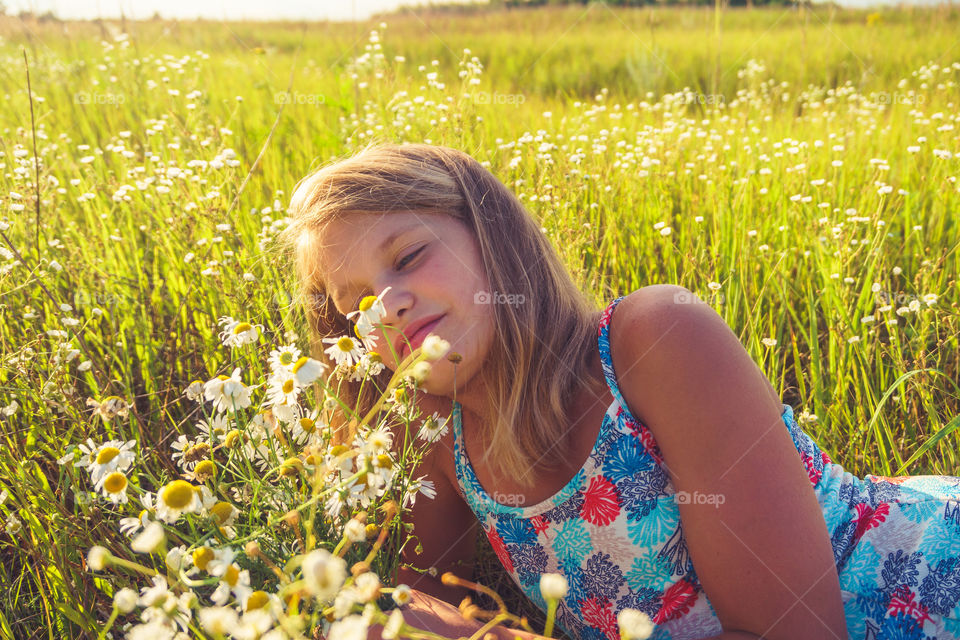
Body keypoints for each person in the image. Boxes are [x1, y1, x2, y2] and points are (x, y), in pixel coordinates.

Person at [279, 142, 960, 640]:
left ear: (491, 235)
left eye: (407, 257)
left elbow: (794, 632)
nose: (388, 305)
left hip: (917, 592)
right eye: (356, 304)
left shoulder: (655, 341)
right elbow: (400, 593)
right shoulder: (431, 430)